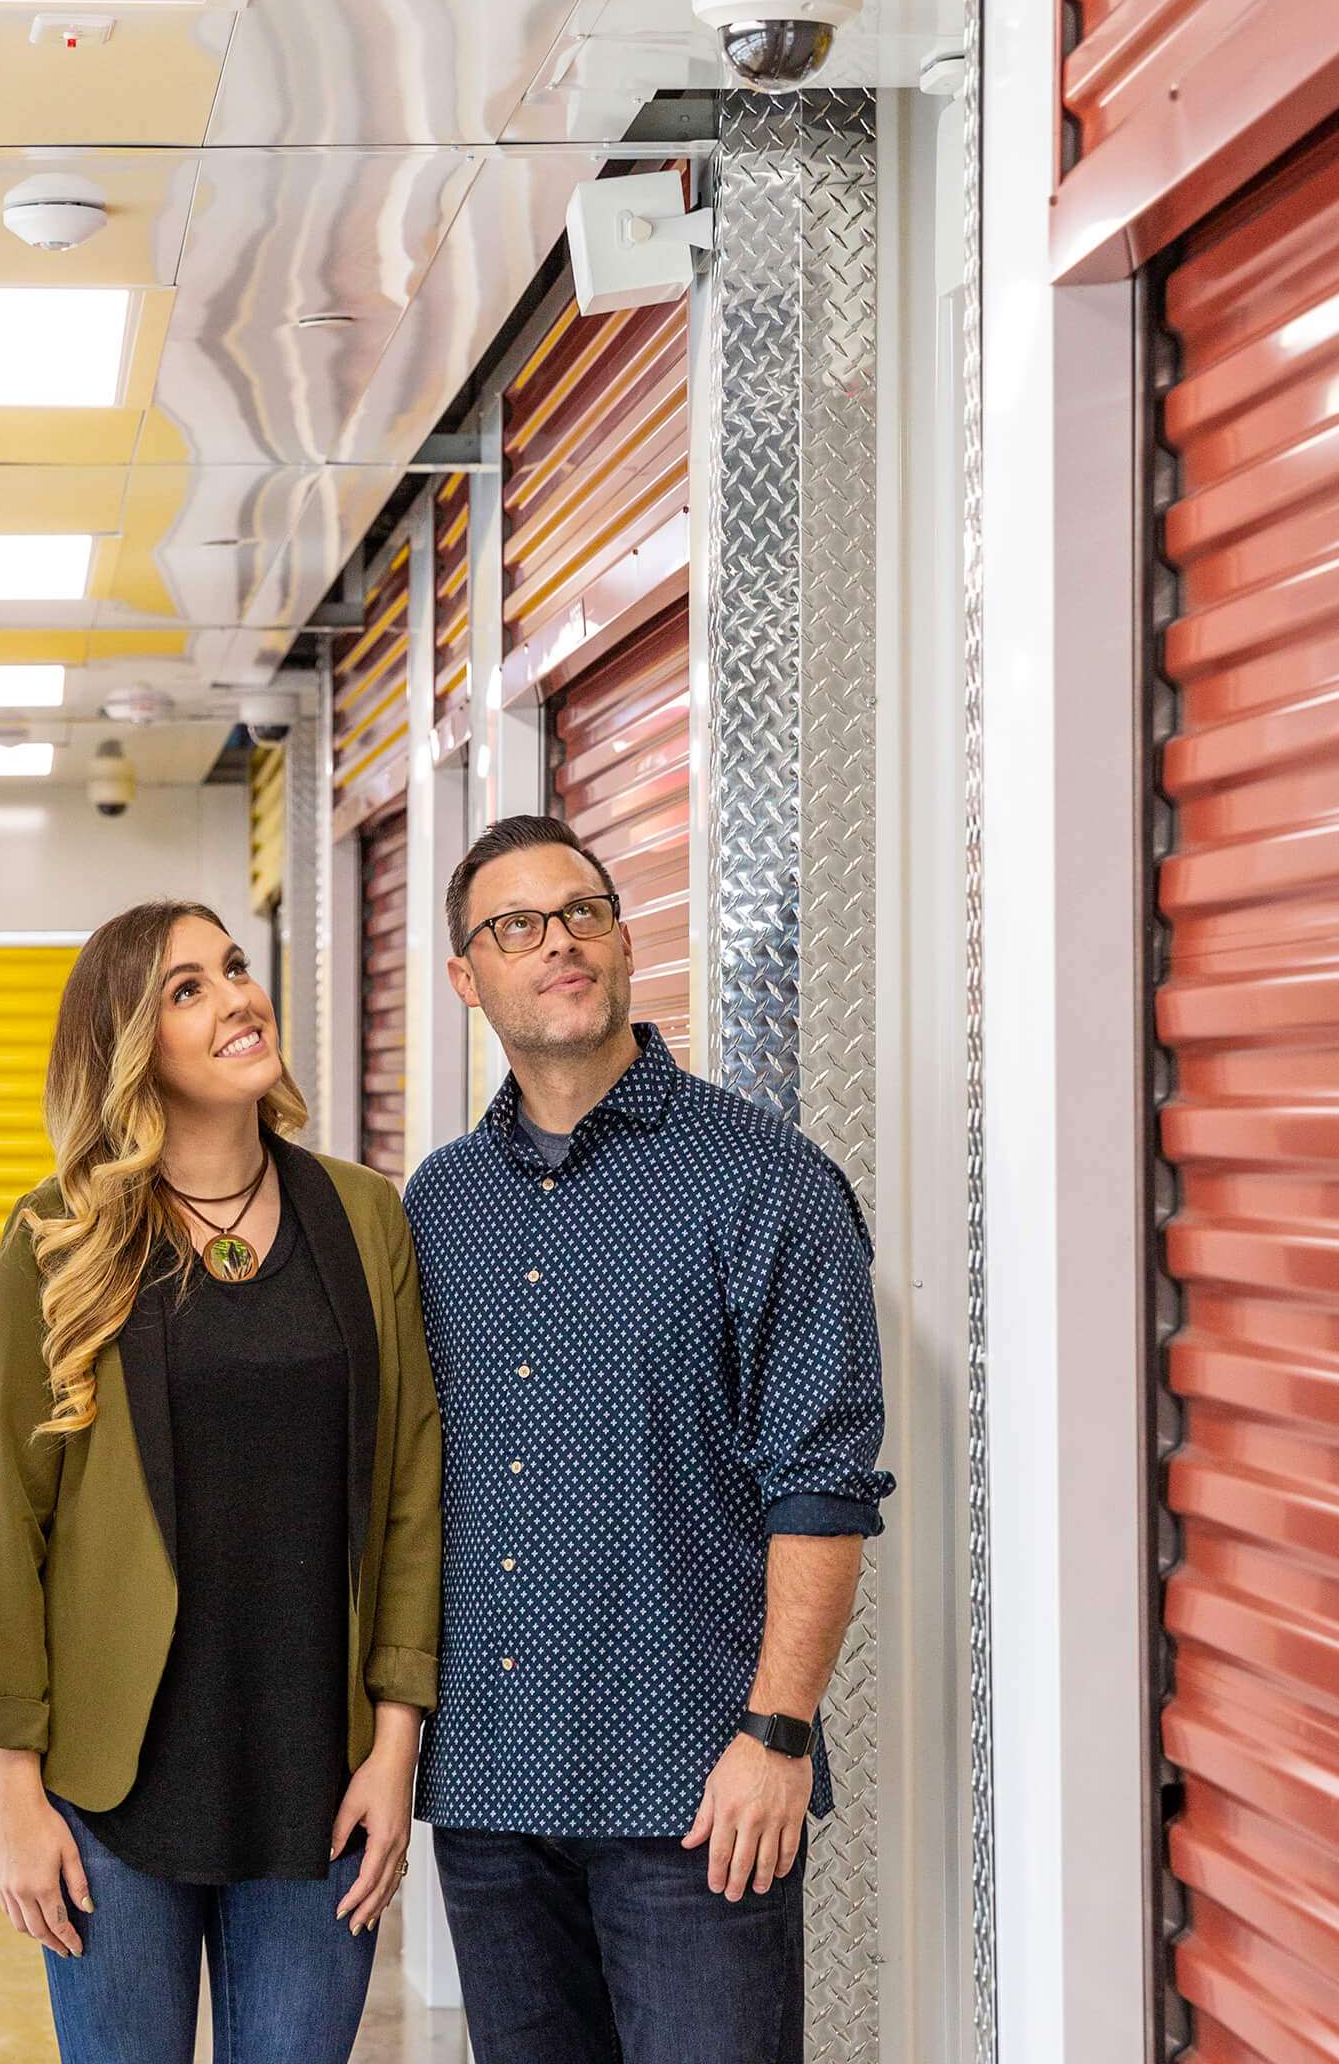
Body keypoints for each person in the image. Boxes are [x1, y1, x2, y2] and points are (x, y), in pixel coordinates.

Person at [404, 815, 894, 2064]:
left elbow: (823, 1487)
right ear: (468, 977)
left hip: (696, 1793)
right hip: (488, 1787)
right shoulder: (439, 1204)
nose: (557, 940)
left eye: (583, 911)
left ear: (624, 941)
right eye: (515, 925)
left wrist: (778, 1735)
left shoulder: (764, 1180)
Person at [0, 900, 442, 2064]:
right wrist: (12, 1794)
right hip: (116, 1786)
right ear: (131, 1044)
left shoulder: (364, 1215)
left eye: (231, 967)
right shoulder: (58, 1236)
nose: (234, 996)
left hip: (313, 1771)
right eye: (186, 988)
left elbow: (414, 1489)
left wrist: (393, 1745)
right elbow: (4, 1526)